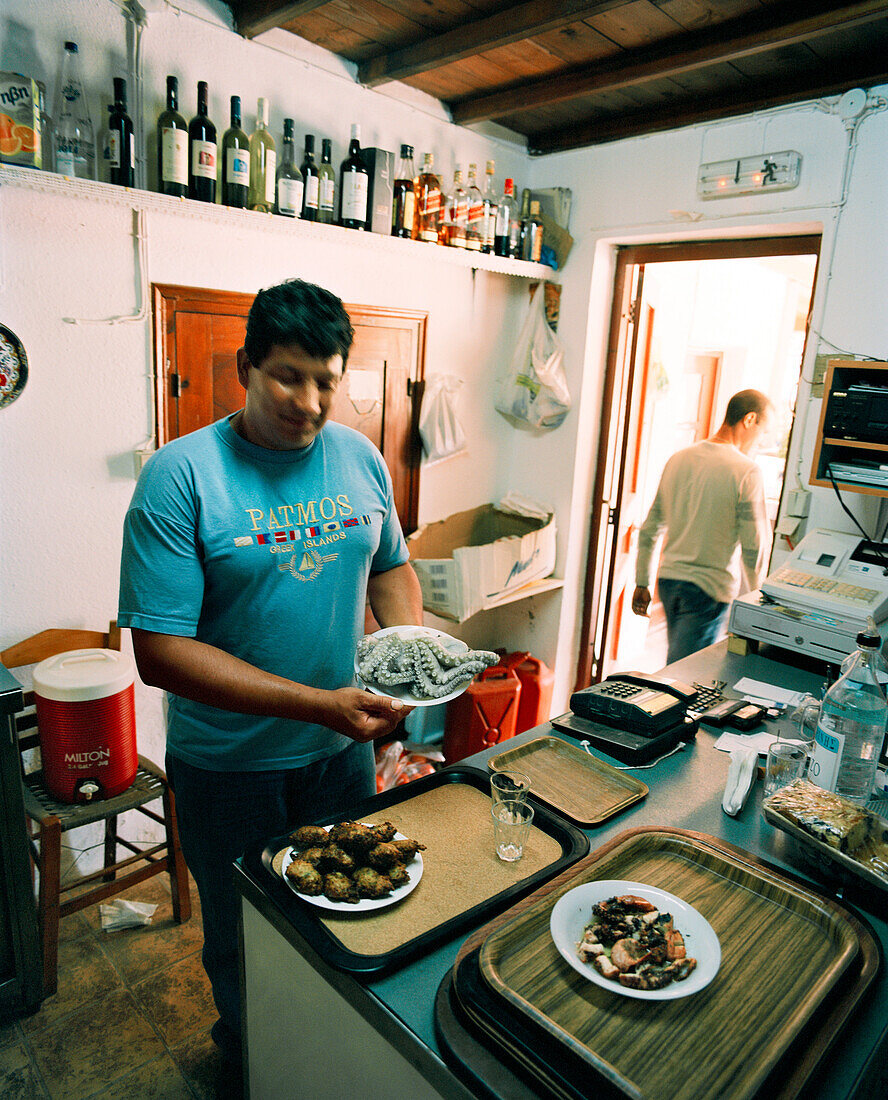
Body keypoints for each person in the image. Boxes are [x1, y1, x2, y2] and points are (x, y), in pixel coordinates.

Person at [118, 278, 423, 1067]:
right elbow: (161, 653)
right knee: (247, 941)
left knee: (352, 916)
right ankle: (255, 1066)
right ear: (246, 367)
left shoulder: (359, 458)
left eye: (327, 379)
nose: (311, 401)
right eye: (289, 376)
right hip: (229, 770)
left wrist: (412, 662)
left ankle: (332, 1062)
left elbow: (391, 566)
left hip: (339, 756)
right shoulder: (180, 476)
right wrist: (320, 704)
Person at [631, 388, 773, 664]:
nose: (762, 441)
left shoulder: (679, 459)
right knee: (684, 675)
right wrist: (759, 601)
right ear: (749, 419)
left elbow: (650, 529)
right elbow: (754, 546)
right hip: (708, 589)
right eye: (764, 431)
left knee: (680, 667)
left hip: (669, 582)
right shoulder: (746, 471)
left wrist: (641, 582)